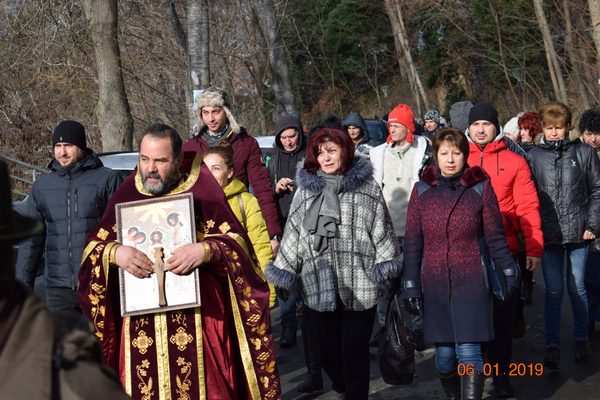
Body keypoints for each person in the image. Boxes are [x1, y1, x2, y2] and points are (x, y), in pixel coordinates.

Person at [78, 123, 280, 399]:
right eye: (145, 159)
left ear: (177, 160)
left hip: (200, 321)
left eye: (160, 161)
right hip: (140, 325)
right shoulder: (127, 193)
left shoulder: (203, 190)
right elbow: (93, 248)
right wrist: (115, 253)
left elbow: (238, 245)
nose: (150, 168)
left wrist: (206, 250)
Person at [266, 127, 401, 400]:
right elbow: (294, 232)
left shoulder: (367, 187)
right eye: (319, 152)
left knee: (354, 353)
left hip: (360, 285)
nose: (326, 158)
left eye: (331, 151)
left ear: (345, 151)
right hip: (318, 284)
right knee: (326, 352)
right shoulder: (307, 189)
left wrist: (388, 269)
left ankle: (354, 395)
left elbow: (382, 229)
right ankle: (340, 387)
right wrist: (285, 271)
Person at [401, 128, 519, 400]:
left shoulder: (480, 188)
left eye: (456, 153)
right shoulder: (421, 192)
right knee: (444, 357)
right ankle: (453, 395)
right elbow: (412, 243)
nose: (450, 159)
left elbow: (494, 236)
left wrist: (510, 272)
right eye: (444, 153)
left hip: (472, 281)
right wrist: (410, 287)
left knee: (468, 351)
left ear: (465, 156)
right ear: (436, 156)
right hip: (435, 283)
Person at [0, 160, 131, 400]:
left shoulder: (73, 378)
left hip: (90, 287)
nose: (62, 151)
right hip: (57, 284)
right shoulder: (43, 187)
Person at [465, 102, 543, 397]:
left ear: (496, 127)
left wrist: (534, 248)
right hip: (468, 253)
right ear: (469, 128)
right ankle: (477, 372)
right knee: (474, 318)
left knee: (502, 318)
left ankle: (500, 377)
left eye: (486, 123)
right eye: (476, 124)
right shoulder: (458, 159)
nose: (481, 129)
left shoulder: (515, 161)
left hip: (505, 252)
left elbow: (528, 206)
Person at [16, 120, 123, 313]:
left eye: (68, 146)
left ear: (82, 146)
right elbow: (31, 242)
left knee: (99, 343)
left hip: (98, 282)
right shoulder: (42, 186)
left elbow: (121, 232)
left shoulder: (107, 179)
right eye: (58, 146)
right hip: (57, 288)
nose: (62, 152)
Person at [528, 102, 600, 370]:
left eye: (559, 127)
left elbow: (597, 189)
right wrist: (535, 231)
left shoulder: (583, 152)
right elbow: (529, 197)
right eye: (549, 128)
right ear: (543, 128)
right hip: (549, 235)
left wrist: (593, 224)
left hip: (580, 232)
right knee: (554, 291)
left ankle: (581, 339)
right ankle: (552, 346)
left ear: (567, 127)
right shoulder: (534, 156)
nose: (554, 132)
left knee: (578, 288)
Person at [183, 87, 283, 254]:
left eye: (216, 112)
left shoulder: (246, 143)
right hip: (202, 226)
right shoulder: (190, 147)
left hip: (238, 221)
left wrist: (274, 234)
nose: (211, 118)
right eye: (205, 113)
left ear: (226, 112)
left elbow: (262, 190)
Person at [203, 144, 274, 303]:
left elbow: (260, 248)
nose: (209, 174)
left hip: (243, 289)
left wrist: (268, 291)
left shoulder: (246, 202)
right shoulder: (195, 204)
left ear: (230, 172)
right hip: (210, 292)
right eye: (206, 169)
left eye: (216, 168)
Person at [579, 109, 600, 339]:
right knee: (590, 276)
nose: (593, 138)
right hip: (586, 223)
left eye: (597, 133)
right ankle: (588, 318)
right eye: (589, 133)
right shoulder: (577, 153)